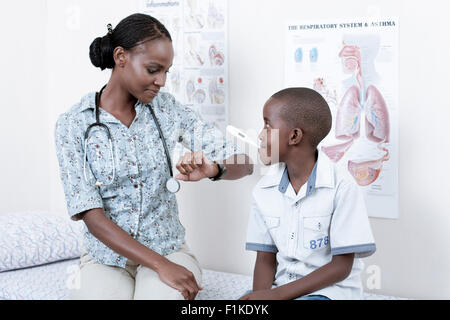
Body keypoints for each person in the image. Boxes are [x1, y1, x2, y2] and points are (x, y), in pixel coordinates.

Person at [54, 13, 253, 300]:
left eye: (166, 72)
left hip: (168, 249)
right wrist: (160, 266)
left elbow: (244, 163)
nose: (161, 81)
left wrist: (214, 169)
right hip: (105, 258)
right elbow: (91, 215)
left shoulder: (168, 110)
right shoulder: (74, 124)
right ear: (121, 57)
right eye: (153, 69)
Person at [240, 87, 376, 300]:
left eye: (267, 125)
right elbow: (265, 259)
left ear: (294, 136)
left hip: (328, 293)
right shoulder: (263, 190)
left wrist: (278, 296)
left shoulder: (342, 186)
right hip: (281, 289)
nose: (259, 135)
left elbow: (341, 267)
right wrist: (261, 299)